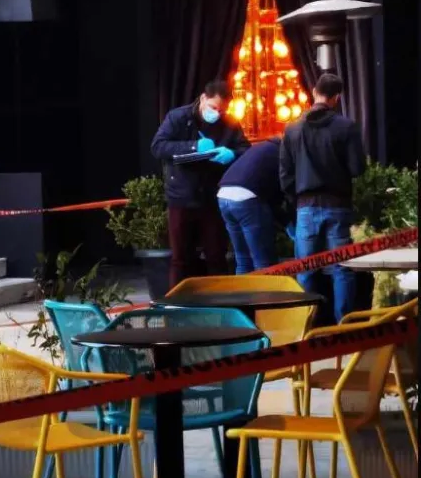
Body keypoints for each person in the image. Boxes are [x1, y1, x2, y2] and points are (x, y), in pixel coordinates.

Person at [280, 73, 365, 324]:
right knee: (341, 268)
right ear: (336, 97)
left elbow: (285, 174)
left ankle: (304, 327)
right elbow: (357, 169)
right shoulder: (346, 127)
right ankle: (343, 327)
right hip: (338, 205)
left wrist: (295, 200)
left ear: (314, 92)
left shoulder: (293, 128)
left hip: (305, 207)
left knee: (305, 269)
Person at [151, 80, 250, 288]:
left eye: (222, 110)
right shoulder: (178, 117)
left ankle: (220, 301)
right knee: (181, 258)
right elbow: (158, 147)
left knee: (216, 255)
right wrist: (194, 146)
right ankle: (179, 302)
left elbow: (246, 150)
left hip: (212, 197)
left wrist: (232, 154)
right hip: (181, 196)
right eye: (213, 107)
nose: (217, 113)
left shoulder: (229, 123)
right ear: (203, 98)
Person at [217, 136, 288, 274]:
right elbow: (279, 191)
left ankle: (243, 288)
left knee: (243, 259)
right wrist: (287, 221)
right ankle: (266, 289)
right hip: (247, 199)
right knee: (264, 263)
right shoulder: (283, 153)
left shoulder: (260, 148)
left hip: (223, 195)